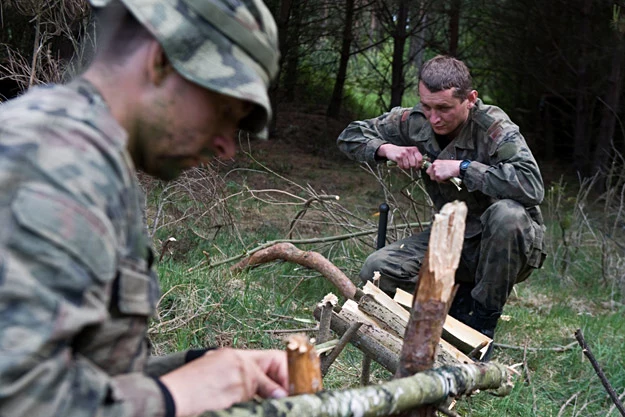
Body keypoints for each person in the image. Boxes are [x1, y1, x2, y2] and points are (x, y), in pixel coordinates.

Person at [0, 1, 288, 416]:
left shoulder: (89, 160)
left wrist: (204, 372)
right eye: (224, 111)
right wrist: (176, 397)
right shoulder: (53, 165)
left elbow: (75, 374)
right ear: (162, 63)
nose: (227, 146)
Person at [337, 55, 547, 340]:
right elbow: (350, 135)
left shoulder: (494, 128)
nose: (434, 118)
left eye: (444, 108)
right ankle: (450, 307)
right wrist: (387, 149)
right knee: (377, 269)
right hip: (453, 238)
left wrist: (464, 168)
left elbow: (531, 185)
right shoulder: (415, 121)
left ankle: (482, 326)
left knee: (507, 215)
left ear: (470, 99)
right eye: (427, 106)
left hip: (504, 247)